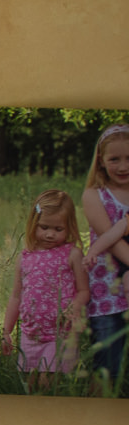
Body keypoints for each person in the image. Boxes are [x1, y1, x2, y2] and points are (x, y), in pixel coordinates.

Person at [1, 189, 88, 389]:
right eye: (44, 227)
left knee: (49, 382)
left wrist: (74, 307)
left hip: (61, 333)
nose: (50, 234)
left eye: (58, 229)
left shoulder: (72, 254)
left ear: (69, 227)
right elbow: (16, 296)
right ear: (34, 224)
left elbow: (84, 291)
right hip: (31, 334)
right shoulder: (25, 257)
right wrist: (7, 331)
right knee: (31, 385)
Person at [82, 123, 129, 386]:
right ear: (101, 161)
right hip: (107, 293)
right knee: (106, 369)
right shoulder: (94, 195)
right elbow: (110, 240)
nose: (123, 166)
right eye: (115, 159)